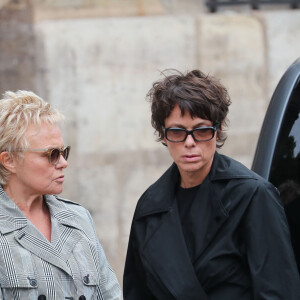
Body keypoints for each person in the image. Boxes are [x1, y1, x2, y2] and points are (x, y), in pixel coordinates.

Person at [123, 69, 300, 299]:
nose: (189, 142)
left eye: (201, 130)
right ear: (163, 135)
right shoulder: (149, 208)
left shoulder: (253, 196)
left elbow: (279, 291)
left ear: (218, 131)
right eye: (177, 132)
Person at [0, 90, 122, 300]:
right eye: (51, 154)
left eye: (63, 152)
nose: (63, 163)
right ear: (9, 160)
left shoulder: (78, 219)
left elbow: (109, 294)